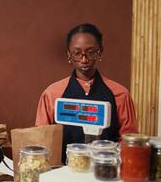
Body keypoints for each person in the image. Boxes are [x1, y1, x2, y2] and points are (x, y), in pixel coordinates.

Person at [35, 23, 138, 163]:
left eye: (90, 52)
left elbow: (128, 141)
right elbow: (42, 140)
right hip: (62, 171)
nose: (84, 59)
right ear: (69, 54)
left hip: (106, 170)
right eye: (77, 53)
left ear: (100, 52)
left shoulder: (120, 94)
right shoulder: (52, 94)